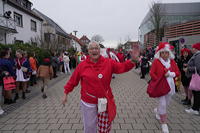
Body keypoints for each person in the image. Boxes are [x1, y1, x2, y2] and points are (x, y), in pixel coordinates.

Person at [62, 41, 139, 133]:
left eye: (96, 48)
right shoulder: (82, 65)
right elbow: (73, 80)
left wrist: (133, 60)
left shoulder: (108, 63)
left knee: (104, 128)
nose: (94, 50)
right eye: (92, 48)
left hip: (104, 101)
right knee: (90, 127)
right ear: (88, 51)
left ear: (99, 50)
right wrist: (66, 93)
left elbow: (122, 67)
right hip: (88, 102)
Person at [150, 42, 180, 133]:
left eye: (166, 53)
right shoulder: (156, 62)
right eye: (162, 53)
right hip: (160, 86)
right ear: (159, 53)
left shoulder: (172, 62)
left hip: (170, 86)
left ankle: (158, 110)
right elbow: (152, 73)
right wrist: (158, 79)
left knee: (167, 103)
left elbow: (177, 72)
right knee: (163, 103)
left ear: (169, 53)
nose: (164, 54)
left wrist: (170, 74)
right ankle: (164, 123)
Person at [185, 42, 200, 115]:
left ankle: (195, 109)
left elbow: (197, 67)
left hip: (196, 77)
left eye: (193, 48)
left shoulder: (198, 56)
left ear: (196, 48)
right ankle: (195, 108)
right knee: (196, 93)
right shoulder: (196, 55)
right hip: (195, 76)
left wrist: (188, 69)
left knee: (196, 93)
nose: (192, 49)